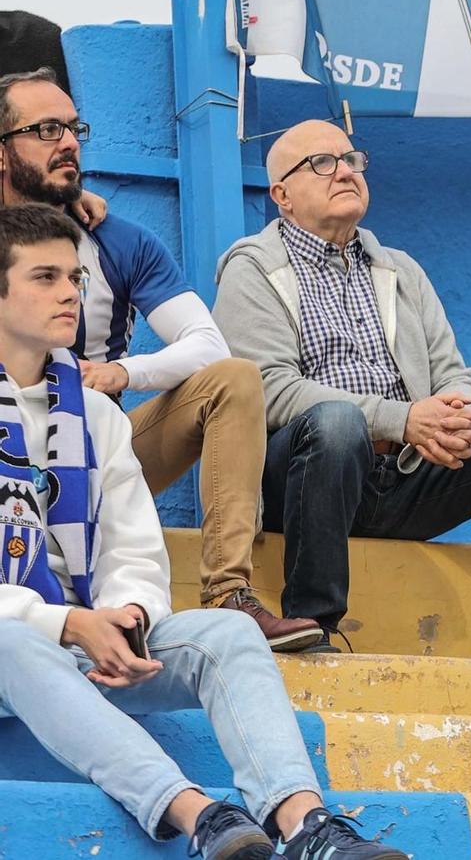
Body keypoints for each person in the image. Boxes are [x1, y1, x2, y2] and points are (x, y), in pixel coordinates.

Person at [0, 205, 406, 859]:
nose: (69, 293)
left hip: (91, 640)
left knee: (228, 631)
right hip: (17, 641)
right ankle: (198, 813)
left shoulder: (96, 414)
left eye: (75, 277)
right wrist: (69, 624)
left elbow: (134, 548)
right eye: (45, 277)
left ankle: (304, 825)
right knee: (11, 640)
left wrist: (129, 615)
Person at [213, 122, 471, 663]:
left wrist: (455, 418)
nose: (345, 172)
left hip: (408, 474)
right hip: (308, 478)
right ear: (282, 196)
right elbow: (269, 390)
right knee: (337, 421)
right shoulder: (253, 268)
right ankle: (314, 623)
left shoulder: (400, 269)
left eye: (351, 159)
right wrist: (402, 418)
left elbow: (454, 374)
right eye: (322, 163)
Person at [0, 68, 316, 651]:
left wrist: (122, 373)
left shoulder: (117, 240)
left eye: (73, 129)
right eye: (46, 130)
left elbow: (207, 342)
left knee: (234, 379)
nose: (68, 142)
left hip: (93, 455)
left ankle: (229, 594)